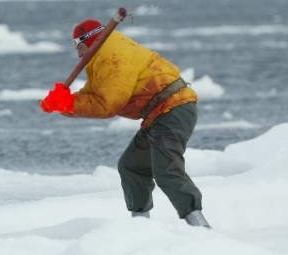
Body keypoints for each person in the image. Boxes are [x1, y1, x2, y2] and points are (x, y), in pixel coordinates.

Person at [40, 18, 211, 228]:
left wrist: (68, 103)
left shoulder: (113, 57)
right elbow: (92, 94)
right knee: (132, 166)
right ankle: (140, 227)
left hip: (172, 108)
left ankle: (200, 227)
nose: (78, 54)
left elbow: (107, 105)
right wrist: (62, 104)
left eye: (79, 46)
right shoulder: (105, 52)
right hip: (158, 114)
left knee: (166, 170)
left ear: (89, 41)